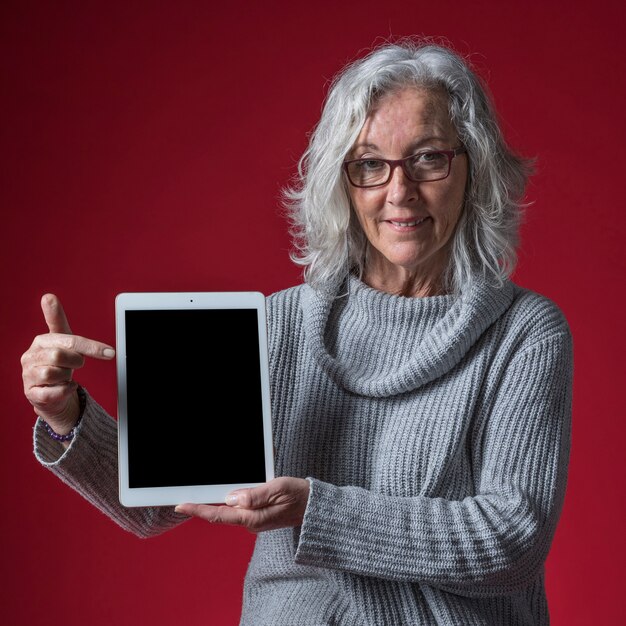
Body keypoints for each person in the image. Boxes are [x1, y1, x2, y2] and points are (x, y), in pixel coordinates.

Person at [22, 39, 573, 625]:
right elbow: (161, 504)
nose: (399, 190)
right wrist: (66, 417)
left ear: (474, 165)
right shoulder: (283, 324)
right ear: (343, 182)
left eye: (428, 157)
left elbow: (512, 539)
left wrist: (318, 511)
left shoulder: (524, 334)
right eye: (369, 165)